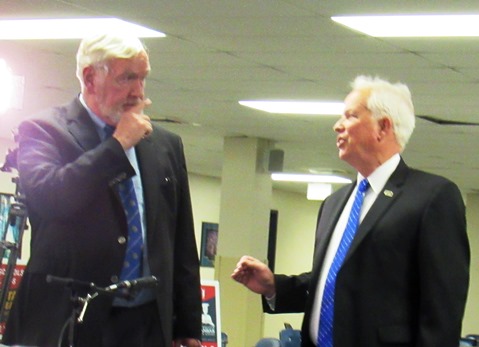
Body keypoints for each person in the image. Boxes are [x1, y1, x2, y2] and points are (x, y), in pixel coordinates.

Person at [232, 75, 470, 347]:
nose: (337, 126)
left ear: (383, 127)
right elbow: (334, 282)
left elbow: (442, 307)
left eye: (350, 116)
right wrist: (274, 286)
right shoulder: (334, 204)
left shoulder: (431, 197)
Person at [2, 33, 202, 347]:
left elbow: (180, 242)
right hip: (69, 319)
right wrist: (117, 145)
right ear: (90, 77)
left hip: (146, 322)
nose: (138, 92)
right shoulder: (43, 130)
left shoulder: (165, 145)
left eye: (142, 78)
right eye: (127, 78)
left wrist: (189, 326)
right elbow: (50, 198)